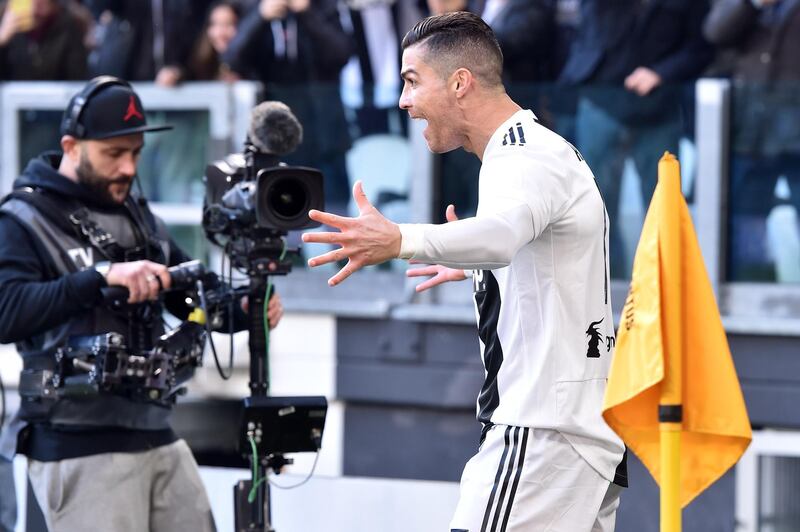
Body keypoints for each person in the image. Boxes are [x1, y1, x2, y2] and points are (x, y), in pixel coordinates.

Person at [303, 12, 626, 531]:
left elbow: (498, 238)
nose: (403, 101)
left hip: (540, 433)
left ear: (459, 83)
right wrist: (480, 268)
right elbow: (519, 250)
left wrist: (399, 239)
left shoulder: (524, 157)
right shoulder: (535, 150)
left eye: (412, 82)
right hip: (570, 436)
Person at [0, 76, 283, 531]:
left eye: (134, 152)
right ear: (72, 146)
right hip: (76, 442)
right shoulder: (22, 218)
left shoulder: (137, 213)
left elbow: (192, 296)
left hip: (157, 431)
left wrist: (247, 311)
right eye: (114, 153)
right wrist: (98, 278)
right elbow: (6, 313)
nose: (128, 167)